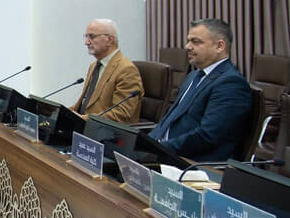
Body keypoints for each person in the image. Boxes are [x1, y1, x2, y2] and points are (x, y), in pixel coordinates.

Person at [149, 19, 253, 161]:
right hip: (165, 152)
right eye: (188, 41)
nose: (187, 47)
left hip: (190, 163)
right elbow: (169, 120)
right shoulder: (193, 76)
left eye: (195, 42)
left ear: (219, 46)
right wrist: (145, 143)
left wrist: (157, 149)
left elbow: (207, 136)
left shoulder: (231, 84)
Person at [71, 19, 143, 123]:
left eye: (92, 36)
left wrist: (84, 119)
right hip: (84, 126)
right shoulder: (94, 66)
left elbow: (122, 113)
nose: (86, 42)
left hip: (103, 130)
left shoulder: (127, 70)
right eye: (86, 37)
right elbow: (85, 104)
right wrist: (59, 112)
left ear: (110, 40)